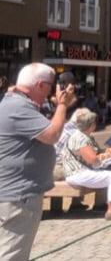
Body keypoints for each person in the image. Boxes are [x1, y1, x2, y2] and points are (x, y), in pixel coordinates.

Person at [0, 63, 76, 260]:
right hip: (18, 196)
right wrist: (62, 106)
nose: (54, 91)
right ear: (40, 85)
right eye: (52, 86)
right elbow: (52, 135)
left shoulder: (13, 103)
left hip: (12, 193)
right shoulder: (18, 107)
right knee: (12, 254)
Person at [62, 108, 111, 220]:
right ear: (91, 124)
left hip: (86, 171)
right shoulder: (79, 138)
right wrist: (109, 157)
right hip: (77, 173)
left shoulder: (88, 136)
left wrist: (109, 152)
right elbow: (93, 160)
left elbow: (98, 153)